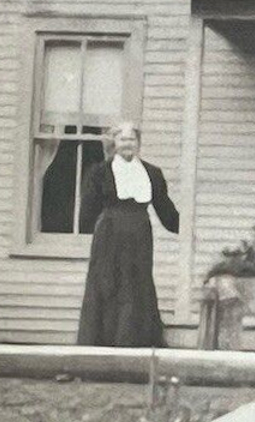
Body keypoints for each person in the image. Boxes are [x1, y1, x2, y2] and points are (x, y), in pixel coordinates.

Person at [75, 121, 180, 347]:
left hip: (140, 234)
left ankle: (134, 342)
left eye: (132, 139)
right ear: (114, 142)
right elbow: (87, 212)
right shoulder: (99, 172)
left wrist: (185, 227)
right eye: (122, 139)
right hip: (109, 234)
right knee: (107, 282)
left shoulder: (152, 173)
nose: (127, 144)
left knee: (137, 283)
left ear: (138, 143)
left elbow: (165, 209)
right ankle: (102, 342)